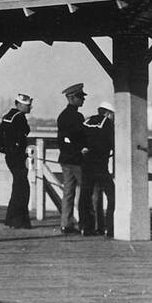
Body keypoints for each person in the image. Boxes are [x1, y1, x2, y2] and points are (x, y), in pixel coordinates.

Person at [0, 92, 33, 228]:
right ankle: (19, 221)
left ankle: (12, 220)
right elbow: (25, 132)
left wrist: (4, 148)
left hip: (10, 156)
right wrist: (15, 149)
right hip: (17, 157)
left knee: (18, 186)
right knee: (22, 188)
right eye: (27, 105)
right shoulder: (19, 117)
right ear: (18, 105)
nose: (29, 108)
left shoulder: (8, 116)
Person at [79, 100, 116, 237]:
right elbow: (112, 142)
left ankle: (85, 227)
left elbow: (79, 138)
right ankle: (110, 227)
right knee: (112, 194)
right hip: (100, 164)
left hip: (86, 163)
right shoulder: (107, 123)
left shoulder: (87, 121)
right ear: (107, 113)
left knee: (85, 195)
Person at [56, 83, 87, 234]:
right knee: (86, 191)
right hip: (77, 160)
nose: (83, 100)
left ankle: (65, 223)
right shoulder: (77, 117)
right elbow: (80, 138)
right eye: (81, 97)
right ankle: (85, 223)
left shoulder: (62, 116)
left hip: (65, 159)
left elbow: (62, 140)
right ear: (72, 98)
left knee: (68, 192)